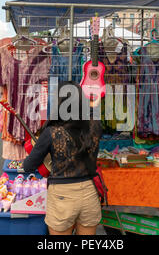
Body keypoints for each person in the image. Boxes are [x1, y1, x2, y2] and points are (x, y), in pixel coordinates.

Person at [23, 81, 103, 235]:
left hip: (62, 197)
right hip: (89, 192)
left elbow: (29, 166)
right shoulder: (95, 125)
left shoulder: (52, 132)